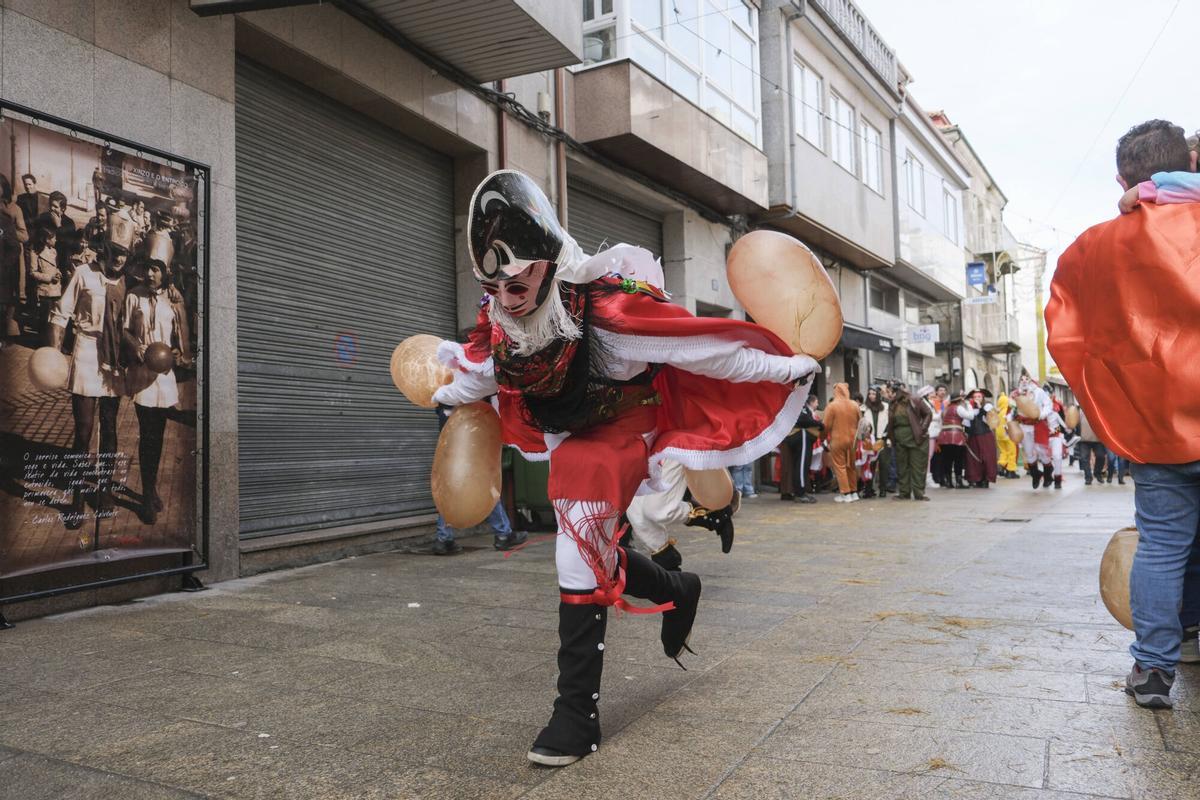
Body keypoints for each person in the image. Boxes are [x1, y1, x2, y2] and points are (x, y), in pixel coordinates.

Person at [431, 170, 820, 765]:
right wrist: (446, 394)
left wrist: (785, 368)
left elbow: (706, 351)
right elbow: (483, 372)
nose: (507, 292)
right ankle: (675, 585)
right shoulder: (504, 325)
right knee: (589, 550)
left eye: (517, 276)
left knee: (575, 542)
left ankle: (575, 715)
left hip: (621, 428)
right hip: (567, 433)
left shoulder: (606, 310)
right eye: (494, 281)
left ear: (544, 259)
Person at [1046, 118, 1200, 709]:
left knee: (1162, 544)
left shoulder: (1092, 246)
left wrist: (1114, 402)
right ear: (1186, 163)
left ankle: (1155, 669)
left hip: (1156, 430)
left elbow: (1069, 338)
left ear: (1121, 177)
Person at [48, 230, 131, 525]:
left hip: (113, 358)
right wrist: (54, 353)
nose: (121, 258)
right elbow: (61, 314)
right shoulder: (83, 273)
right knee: (83, 430)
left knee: (109, 429)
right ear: (104, 249)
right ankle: (77, 498)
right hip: (85, 352)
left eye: (126, 253)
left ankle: (105, 491)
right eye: (116, 250)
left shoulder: (126, 280)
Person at [122, 259, 192, 524]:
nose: (151, 273)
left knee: (158, 435)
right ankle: (147, 495)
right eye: (148, 268)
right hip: (142, 373)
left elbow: (182, 336)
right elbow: (124, 329)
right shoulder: (133, 296)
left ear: (165, 272)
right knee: (146, 434)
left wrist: (177, 350)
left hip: (164, 377)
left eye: (156, 268)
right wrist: (135, 347)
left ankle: (150, 489)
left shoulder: (173, 299)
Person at [431, 403, 527, 554]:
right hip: (472, 429)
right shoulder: (464, 383)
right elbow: (475, 390)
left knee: (450, 486)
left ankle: (444, 539)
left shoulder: (445, 387)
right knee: (483, 483)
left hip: (452, 430)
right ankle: (503, 534)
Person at [626, 459, 738, 571]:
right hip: (637, 448)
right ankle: (670, 570)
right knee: (635, 512)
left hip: (670, 446)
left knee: (658, 510)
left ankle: (713, 516)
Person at [887, 383, 932, 501]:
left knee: (918, 466)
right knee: (902, 467)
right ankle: (904, 493)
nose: (890, 394)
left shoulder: (915, 400)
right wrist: (890, 437)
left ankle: (919, 493)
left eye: (892, 392)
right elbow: (890, 423)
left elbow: (928, 413)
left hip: (916, 438)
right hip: (899, 439)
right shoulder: (893, 404)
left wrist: (923, 429)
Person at [823, 382, 862, 503]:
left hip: (838, 440)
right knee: (851, 466)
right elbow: (860, 422)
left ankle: (845, 493)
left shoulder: (832, 406)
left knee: (840, 466)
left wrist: (822, 437)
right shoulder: (854, 405)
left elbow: (826, 426)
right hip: (852, 440)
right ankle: (854, 492)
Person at [786, 394, 823, 504]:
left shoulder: (797, 403)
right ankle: (800, 493)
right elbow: (803, 420)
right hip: (800, 435)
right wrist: (819, 424)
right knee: (801, 465)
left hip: (799, 436)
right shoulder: (798, 404)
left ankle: (800, 491)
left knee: (801, 465)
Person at [28, 225, 63, 334]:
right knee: (44, 318)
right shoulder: (35, 252)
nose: (56, 240)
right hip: (45, 290)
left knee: (54, 318)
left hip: (56, 289)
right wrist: (49, 278)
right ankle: (42, 341)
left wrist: (58, 273)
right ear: (47, 239)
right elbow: (33, 272)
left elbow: (56, 267)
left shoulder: (54, 251)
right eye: (54, 238)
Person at [960, 389, 997, 488]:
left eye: (979, 397)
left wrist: (980, 407)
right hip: (973, 436)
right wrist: (966, 434)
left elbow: (986, 417)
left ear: (983, 398)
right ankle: (976, 479)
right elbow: (966, 424)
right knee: (973, 458)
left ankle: (986, 479)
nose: (977, 399)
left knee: (987, 457)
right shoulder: (969, 408)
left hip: (985, 435)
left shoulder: (988, 406)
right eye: (975, 397)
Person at [861, 386, 891, 498]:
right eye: (870, 394)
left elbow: (890, 423)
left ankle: (883, 489)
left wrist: (886, 437)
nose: (871, 396)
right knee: (869, 465)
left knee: (884, 465)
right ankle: (868, 489)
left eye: (874, 394)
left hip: (882, 439)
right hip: (870, 440)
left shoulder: (886, 407)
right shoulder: (863, 408)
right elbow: (861, 425)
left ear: (878, 395)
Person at [937, 391, 968, 489]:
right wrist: (967, 405)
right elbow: (970, 416)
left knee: (947, 460)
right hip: (956, 437)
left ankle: (948, 481)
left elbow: (940, 420)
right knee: (958, 460)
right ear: (959, 400)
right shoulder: (959, 408)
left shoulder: (945, 409)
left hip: (944, 436)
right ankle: (959, 482)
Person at [1077, 408, 1108, 486]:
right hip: (1083, 439)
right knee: (1084, 458)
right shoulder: (1079, 410)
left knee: (1101, 456)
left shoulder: (1097, 407)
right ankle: (1088, 477)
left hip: (1098, 439)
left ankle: (1097, 473)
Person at [994, 393, 1019, 479]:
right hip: (1008, 434)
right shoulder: (1008, 411)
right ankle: (1010, 471)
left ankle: (1000, 465)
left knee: (1004, 452)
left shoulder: (998, 412)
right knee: (1012, 452)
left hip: (999, 436)